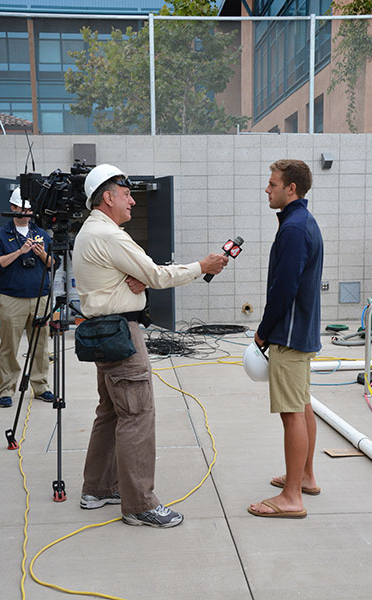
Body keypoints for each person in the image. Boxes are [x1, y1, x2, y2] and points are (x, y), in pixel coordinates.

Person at [72, 163, 228, 528]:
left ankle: (96, 489)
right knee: (137, 415)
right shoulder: (110, 236)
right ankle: (139, 504)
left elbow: (136, 277)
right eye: (127, 195)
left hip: (102, 334)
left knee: (110, 412)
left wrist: (136, 280)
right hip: (121, 336)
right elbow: (156, 275)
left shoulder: (89, 232)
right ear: (107, 197)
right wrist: (201, 265)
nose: (133, 203)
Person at [248, 159, 323, 519]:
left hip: (290, 335)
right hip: (301, 330)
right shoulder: (301, 222)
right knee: (303, 405)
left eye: (272, 184)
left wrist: (263, 331)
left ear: (290, 188)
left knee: (292, 413)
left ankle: (292, 497)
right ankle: (305, 476)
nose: (267, 189)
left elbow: (284, 288)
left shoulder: (294, 228)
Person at [0, 187, 56, 408]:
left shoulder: (41, 234)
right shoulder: (0, 235)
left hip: (39, 297)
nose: (26, 213)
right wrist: (20, 252)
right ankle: (7, 390)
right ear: (13, 208)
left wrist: (40, 252)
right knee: (9, 346)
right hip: (11, 299)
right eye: (21, 208)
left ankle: (41, 386)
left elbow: (53, 265)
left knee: (41, 345)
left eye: (29, 209)